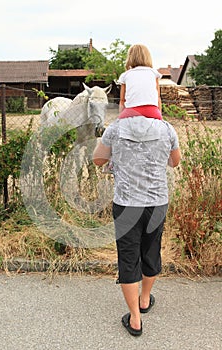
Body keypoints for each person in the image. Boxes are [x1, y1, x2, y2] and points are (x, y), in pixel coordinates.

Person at [92, 111, 181, 336]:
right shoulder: (166, 128)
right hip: (157, 203)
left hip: (127, 204)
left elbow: (97, 159)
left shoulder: (116, 127)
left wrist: (118, 157)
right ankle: (144, 300)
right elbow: (175, 162)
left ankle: (134, 318)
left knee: (129, 256)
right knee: (151, 251)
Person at [117, 44, 162, 120]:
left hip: (131, 111)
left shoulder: (126, 75)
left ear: (130, 57)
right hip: (152, 111)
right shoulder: (154, 73)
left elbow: (122, 101)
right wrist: (160, 117)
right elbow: (158, 98)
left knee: (117, 128)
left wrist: (119, 119)